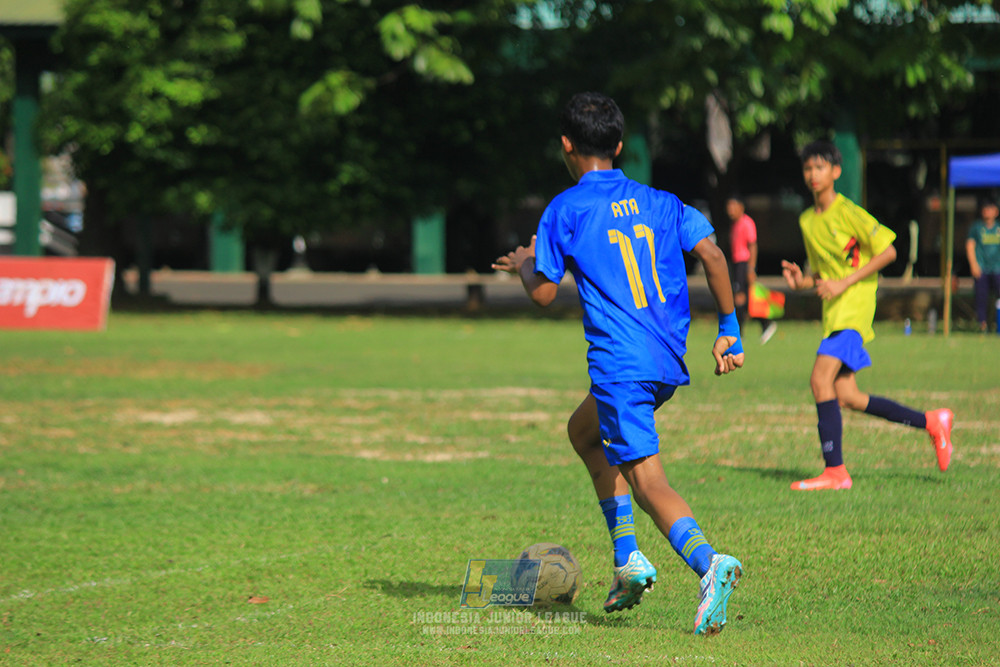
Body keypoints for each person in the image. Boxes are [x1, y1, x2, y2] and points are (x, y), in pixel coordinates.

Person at [492, 92, 745, 635]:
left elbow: (542, 294)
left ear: (566, 145)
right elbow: (714, 255)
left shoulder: (566, 208)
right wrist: (729, 328)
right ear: (620, 145)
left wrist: (523, 265)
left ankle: (709, 565)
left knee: (648, 480)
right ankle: (628, 560)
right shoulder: (659, 199)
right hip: (664, 359)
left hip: (619, 366)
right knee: (584, 432)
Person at [780, 140, 954, 491]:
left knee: (819, 380)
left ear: (836, 172)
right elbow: (821, 270)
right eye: (808, 168)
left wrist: (844, 283)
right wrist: (802, 282)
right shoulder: (806, 221)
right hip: (834, 314)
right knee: (847, 395)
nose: (813, 174)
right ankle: (932, 421)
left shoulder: (848, 212)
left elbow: (888, 252)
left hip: (854, 309)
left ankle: (836, 471)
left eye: (820, 167)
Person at [727, 194, 778, 344]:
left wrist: (750, 268)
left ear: (740, 207)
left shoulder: (747, 223)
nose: (730, 210)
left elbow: (753, 246)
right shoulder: (734, 224)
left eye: (733, 206)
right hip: (737, 264)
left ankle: (744, 331)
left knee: (740, 298)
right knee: (744, 298)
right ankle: (763, 324)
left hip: (744, 264)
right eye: (728, 207)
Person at [965, 196, 1000, 333]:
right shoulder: (976, 227)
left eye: (990, 208)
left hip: (998, 268)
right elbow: (970, 245)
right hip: (982, 268)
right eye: (985, 208)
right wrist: (974, 264)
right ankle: (982, 324)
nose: (987, 211)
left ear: (996, 211)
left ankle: (998, 323)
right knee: (981, 296)